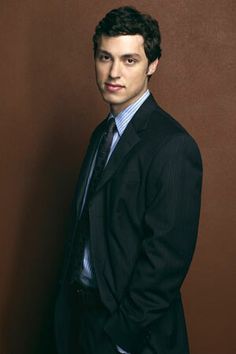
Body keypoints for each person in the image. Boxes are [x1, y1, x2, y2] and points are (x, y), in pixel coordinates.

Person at [54, 6, 202, 354]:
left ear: (153, 65)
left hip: (130, 336)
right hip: (81, 323)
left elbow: (166, 261)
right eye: (105, 57)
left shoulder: (174, 146)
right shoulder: (100, 135)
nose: (114, 72)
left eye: (129, 60)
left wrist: (121, 337)